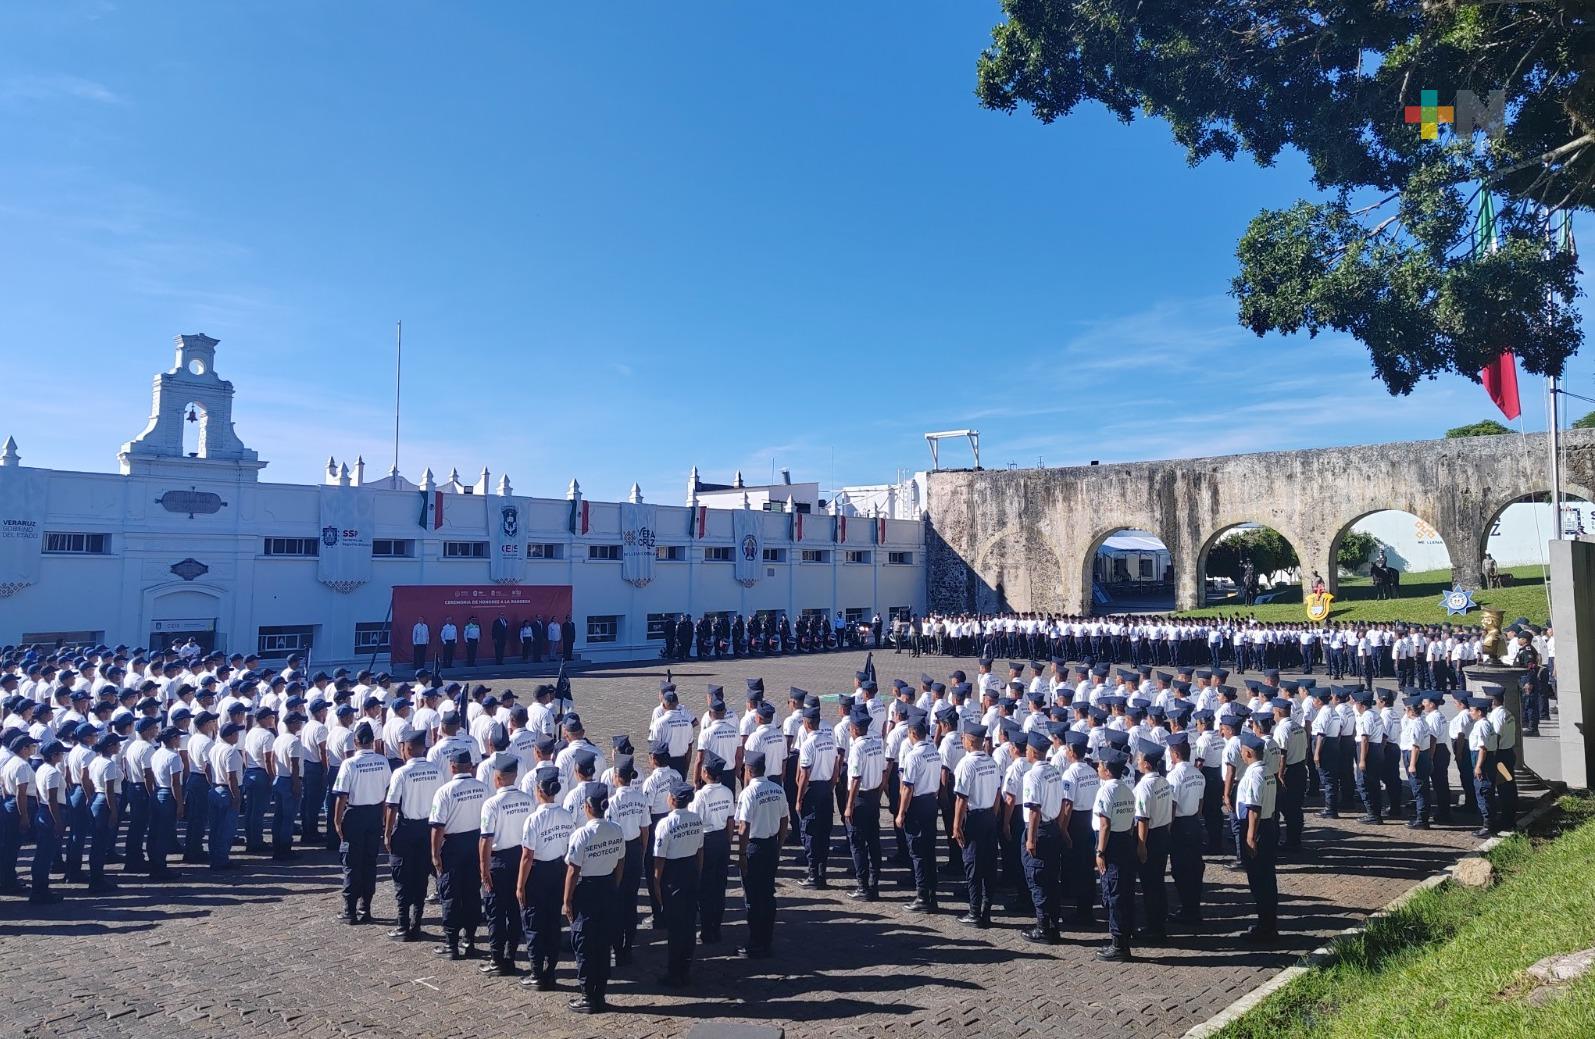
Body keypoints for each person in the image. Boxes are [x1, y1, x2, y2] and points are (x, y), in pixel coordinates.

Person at [564, 787, 624, 1014]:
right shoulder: (616, 829)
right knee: (603, 943)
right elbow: (621, 861)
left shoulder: (581, 834)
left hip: (587, 891)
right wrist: (614, 885)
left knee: (585, 944)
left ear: (588, 807)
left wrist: (567, 900)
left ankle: (588, 996)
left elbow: (573, 871)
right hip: (607, 886)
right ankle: (600, 993)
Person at [518, 766, 574, 991]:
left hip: (538, 873)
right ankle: (550, 971)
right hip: (558, 869)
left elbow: (527, 856)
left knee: (533, 924)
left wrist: (520, 885)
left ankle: (536, 973)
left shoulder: (534, 819)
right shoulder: (565, 814)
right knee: (552, 923)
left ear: (539, 790)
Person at [385, 729, 443, 940]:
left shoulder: (401, 772)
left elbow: (391, 806)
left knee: (402, 878)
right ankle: (416, 923)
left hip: (406, 830)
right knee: (420, 878)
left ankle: (402, 925)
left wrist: (387, 832)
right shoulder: (436, 771)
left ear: (407, 749)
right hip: (427, 829)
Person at [333, 722, 392, 925]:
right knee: (369, 863)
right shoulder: (383, 761)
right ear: (372, 742)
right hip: (374, 814)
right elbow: (386, 794)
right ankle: (365, 907)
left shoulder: (349, 764)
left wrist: (337, 820)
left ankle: (349, 910)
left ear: (355, 742)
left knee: (351, 863)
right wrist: (384, 818)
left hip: (355, 815)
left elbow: (342, 796)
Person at [430, 749, 487, 959]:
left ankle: (451, 943)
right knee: (472, 892)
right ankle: (469, 940)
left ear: (452, 766)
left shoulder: (445, 791)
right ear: (470, 766)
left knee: (451, 895)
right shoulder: (483, 788)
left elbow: (437, 827)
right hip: (475, 843)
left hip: (453, 846)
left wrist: (435, 854)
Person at [480, 754, 532, 976]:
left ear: (497, 778)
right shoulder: (528, 800)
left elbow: (485, 839)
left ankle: (496, 958)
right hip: (519, 858)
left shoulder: (491, 804)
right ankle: (510, 955)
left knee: (495, 912)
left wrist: (483, 870)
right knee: (515, 910)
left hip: (498, 861)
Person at [736, 749, 788, 957]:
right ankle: (766, 938)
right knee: (768, 894)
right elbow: (785, 820)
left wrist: (741, 855)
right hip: (771, 846)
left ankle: (755, 941)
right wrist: (780, 845)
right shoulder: (777, 789)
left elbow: (743, 828)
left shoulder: (748, 793)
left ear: (748, 770)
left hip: (754, 848)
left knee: (752, 898)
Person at [651, 781, 704, 987]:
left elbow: (659, 860)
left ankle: (675, 971)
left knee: (675, 927)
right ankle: (685, 967)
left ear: (672, 799)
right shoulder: (696, 819)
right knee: (689, 924)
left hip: (673, 875)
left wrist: (657, 884)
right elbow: (700, 851)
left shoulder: (665, 824)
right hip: (690, 870)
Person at [951, 721, 999, 928]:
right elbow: (998, 794)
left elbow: (961, 799)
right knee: (989, 866)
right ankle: (986, 910)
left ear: (969, 741)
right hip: (989, 816)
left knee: (972, 865)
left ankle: (974, 911)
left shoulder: (966, 764)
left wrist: (956, 826)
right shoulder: (991, 762)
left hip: (974, 817)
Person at [1235, 730, 1280, 943]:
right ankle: (1268, 923)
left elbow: (1254, 808)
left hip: (1257, 829)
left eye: (1243, 752)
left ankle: (1265, 927)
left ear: (1248, 753)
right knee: (1267, 878)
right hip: (1268, 827)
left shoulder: (1254, 774)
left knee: (1259, 879)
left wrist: (1250, 837)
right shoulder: (1268, 771)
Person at [1092, 746, 1136, 961]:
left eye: (1100, 764)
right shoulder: (1126, 788)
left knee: (1114, 892)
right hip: (1125, 841)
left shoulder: (1106, 790)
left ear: (1107, 770)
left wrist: (1100, 851)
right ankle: (1123, 937)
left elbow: (1105, 824)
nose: (1098, 767)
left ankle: (1119, 944)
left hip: (1112, 843)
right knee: (1124, 891)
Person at [897, 713, 943, 913]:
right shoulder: (934, 750)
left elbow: (907, 788)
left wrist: (901, 813)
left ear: (913, 733)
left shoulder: (913, 756)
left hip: (916, 805)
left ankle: (922, 895)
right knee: (929, 851)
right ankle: (931, 894)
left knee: (917, 853)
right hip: (931, 802)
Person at [688, 751, 736, 942]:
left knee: (705, 887)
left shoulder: (700, 796)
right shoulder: (727, 791)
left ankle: (707, 929)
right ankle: (716, 925)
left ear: (706, 772)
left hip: (706, 841)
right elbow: (731, 821)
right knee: (719, 885)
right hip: (722, 840)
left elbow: (696, 823)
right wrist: (728, 842)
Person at [1132, 738, 1173, 942]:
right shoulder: (1163, 781)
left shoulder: (1144, 787)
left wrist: (1141, 846)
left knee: (1150, 884)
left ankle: (1154, 926)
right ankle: (1159, 920)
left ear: (1147, 763)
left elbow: (1142, 819)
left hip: (1148, 837)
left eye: (1139, 758)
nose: (1137, 761)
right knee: (1157, 881)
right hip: (1162, 834)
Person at [1164, 731, 1206, 925]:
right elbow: (1200, 804)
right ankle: (1193, 906)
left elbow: (1172, 807)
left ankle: (1187, 909)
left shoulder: (1174, 776)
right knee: (1195, 867)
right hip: (1194, 823)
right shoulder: (1198, 773)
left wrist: (1168, 831)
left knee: (1181, 869)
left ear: (1174, 754)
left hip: (1180, 825)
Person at [794, 705, 837, 888]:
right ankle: (822, 872)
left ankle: (813, 875)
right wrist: (831, 786)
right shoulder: (829, 740)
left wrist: (798, 799)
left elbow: (804, 774)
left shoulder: (808, 744)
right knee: (824, 833)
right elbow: (836, 766)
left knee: (810, 832)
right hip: (826, 789)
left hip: (811, 790)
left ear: (805, 723)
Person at [30, 739, 67, 903]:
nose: (63, 755)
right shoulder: (53, 772)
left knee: (41, 854)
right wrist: (58, 822)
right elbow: (52, 799)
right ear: (54, 755)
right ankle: (41, 891)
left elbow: (39, 794)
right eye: (61, 753)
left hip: (43, 811)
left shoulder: (41, 769)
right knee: (45, 855)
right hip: (51, 812)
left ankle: (39, 888)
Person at [148, 725, 185, 879]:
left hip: (158, 792)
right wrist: (180, 803)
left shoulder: (157, 753)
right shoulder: (174, 756)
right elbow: (175, 783)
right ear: (172, 739)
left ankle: (155, 865)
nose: (179, 740)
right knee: (164, 833)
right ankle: (160, 868)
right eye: (177, 737)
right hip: (168, 794)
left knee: (155, 832)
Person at [207, 722, 243, 872]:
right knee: (226, 828)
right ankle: (221, 860)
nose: (238, 736)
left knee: (215, 828)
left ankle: (215, 857)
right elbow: (231, 777)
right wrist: (236, 796)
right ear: (230, 735)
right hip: (227, 790)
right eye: (236, 733)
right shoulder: (231, 751)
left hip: (215, 788)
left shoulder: (214, 748)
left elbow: (207, 769)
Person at [270, 712, 305, 860]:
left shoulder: (279, 739)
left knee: (278, 816)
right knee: (288, 818)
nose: (300, 725)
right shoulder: (294, 741)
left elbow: (272, 759)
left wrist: (275, 775)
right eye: (298, 722)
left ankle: (277, 846)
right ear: (292, 723)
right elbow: (294, 765)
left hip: (279, 778)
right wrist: (296, 784)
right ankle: (285, 848)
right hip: (290, 780)